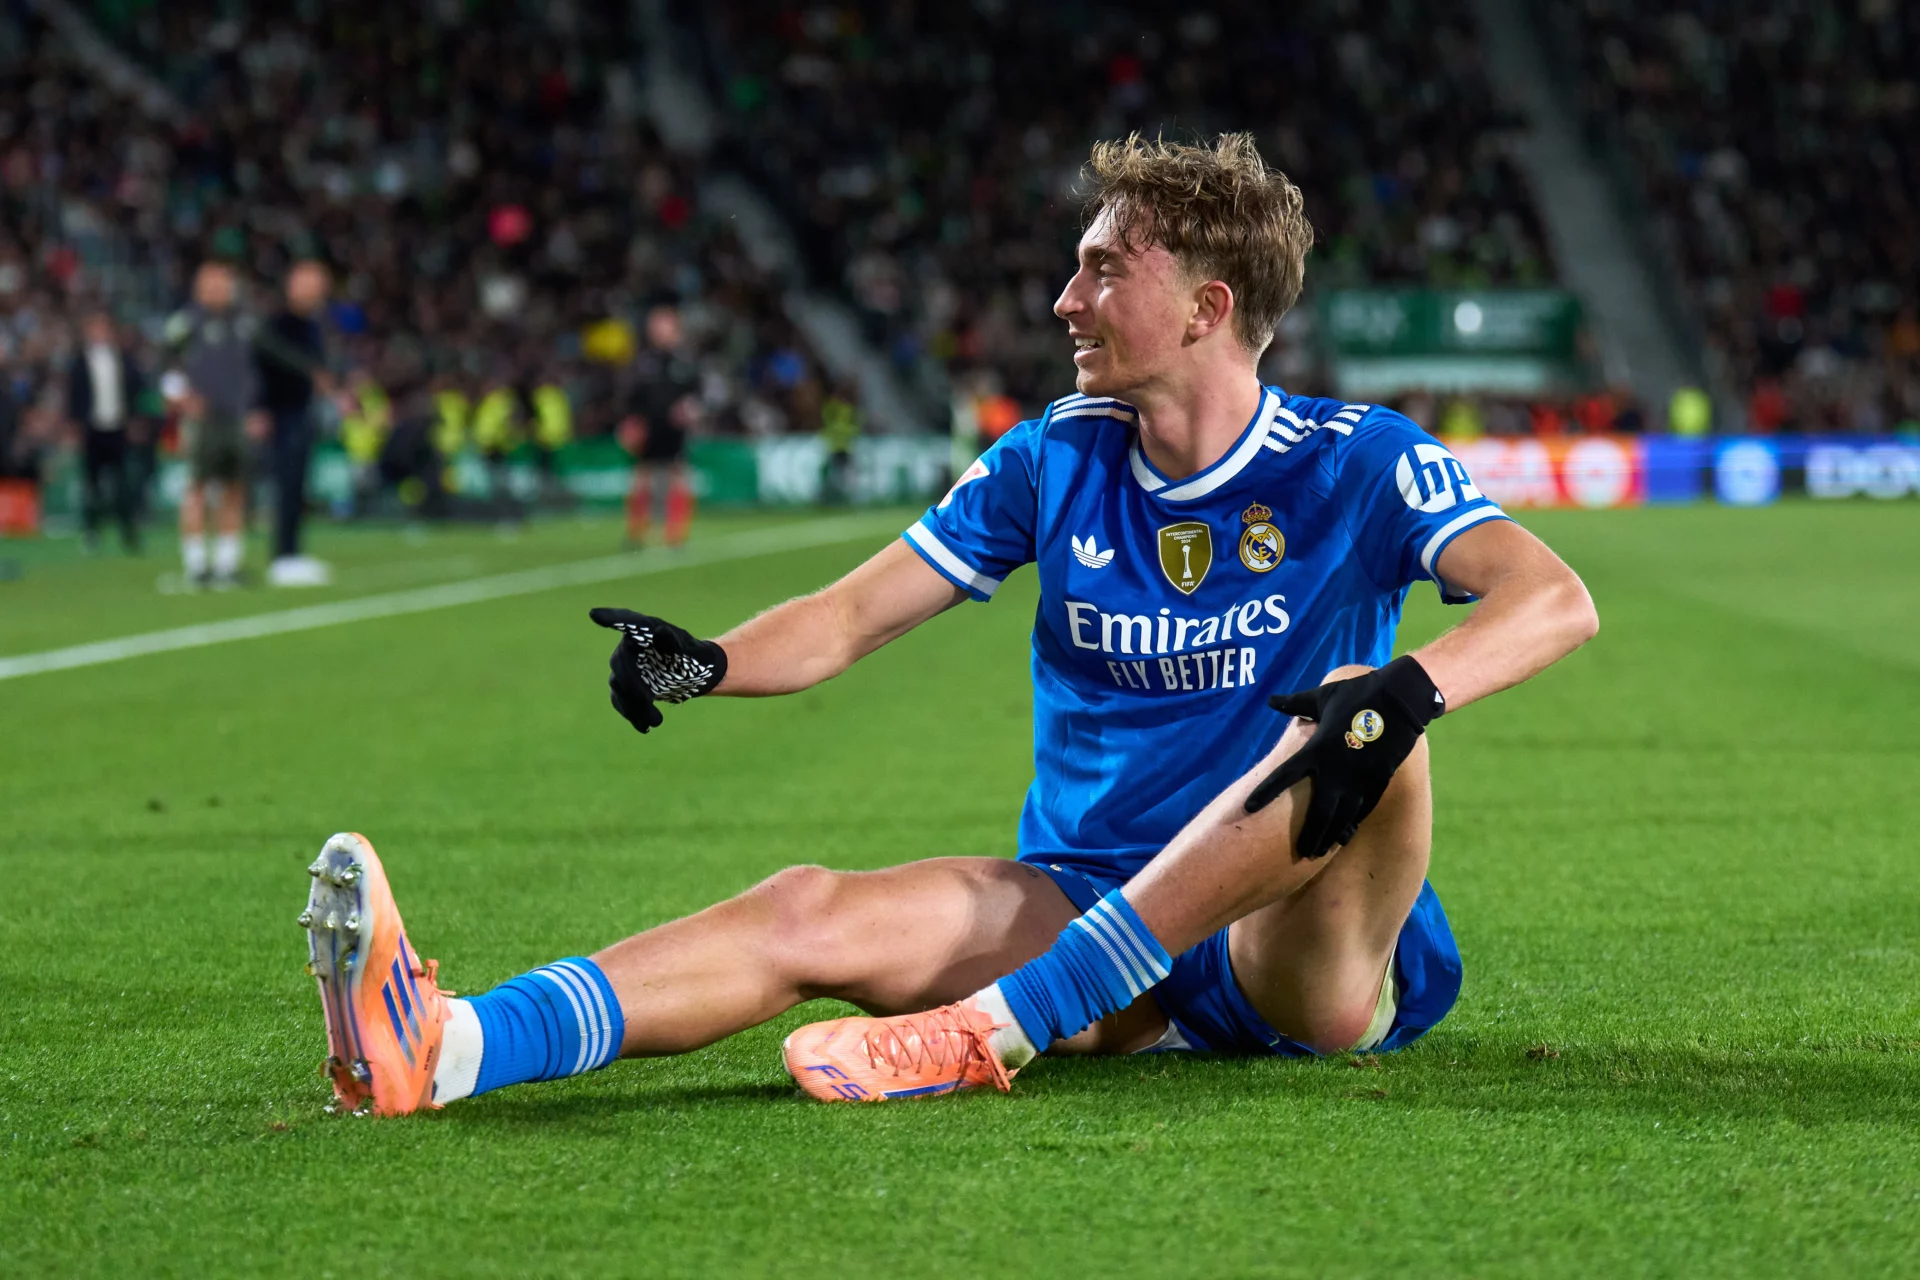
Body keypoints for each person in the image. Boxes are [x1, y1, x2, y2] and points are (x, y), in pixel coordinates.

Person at [299, 135, 1598, 1115]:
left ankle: (1001, 1026)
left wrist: (1412, 689)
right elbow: (850, 617)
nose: (1062, 300)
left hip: (1294, 947)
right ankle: (449, 1047)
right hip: (1091, 908)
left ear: (1207, 306)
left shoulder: (1358, 458)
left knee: (1370, 709)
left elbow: (1553, 596)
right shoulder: (1054, 459)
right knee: (807, 909)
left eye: (1101, 269)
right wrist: (708, 663)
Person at [163, 262, 261, 589]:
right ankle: (195, 565)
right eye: (213, 283)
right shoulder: (185, 323)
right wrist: (181, 397)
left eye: (224, 283)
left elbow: (255, 371)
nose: (220, 289)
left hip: (236, 417)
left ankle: (226, 565)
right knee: (197, 487)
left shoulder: (244, 323)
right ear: (199, 287)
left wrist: (256, 408)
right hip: (202, 420)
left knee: (234, 487)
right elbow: (163, 364)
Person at [254, 260, 333, 587]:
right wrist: (259, 409)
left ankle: (293, 552)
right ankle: (283, 556)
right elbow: (263, 364)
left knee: (298, 484)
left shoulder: (310, 325)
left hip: (301, 411)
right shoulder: (277, 324)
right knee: (285, 484)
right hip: (280, 414)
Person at [64, 311, 146, 554]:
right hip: (92, 429)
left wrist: (134, 420)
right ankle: (92, 532)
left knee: (123, 484)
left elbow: (136, 391)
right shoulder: (80, 361)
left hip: (117, 428)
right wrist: (75, 426)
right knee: (92, 485)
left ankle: (128, 532)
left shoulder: (123, 359)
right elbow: (74, 396)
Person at [620, 303, 698, 548]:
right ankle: (636, 532)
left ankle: (676, 534)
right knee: (641, 478)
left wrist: (690, 409)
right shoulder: (643, 361)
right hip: (648, 428)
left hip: (674, 430)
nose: (658, 331)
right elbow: (632, 396)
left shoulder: (684, 362)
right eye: (655, 326)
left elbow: (696, 395)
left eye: (664, 325)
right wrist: (631, 423)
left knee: (678, 476)